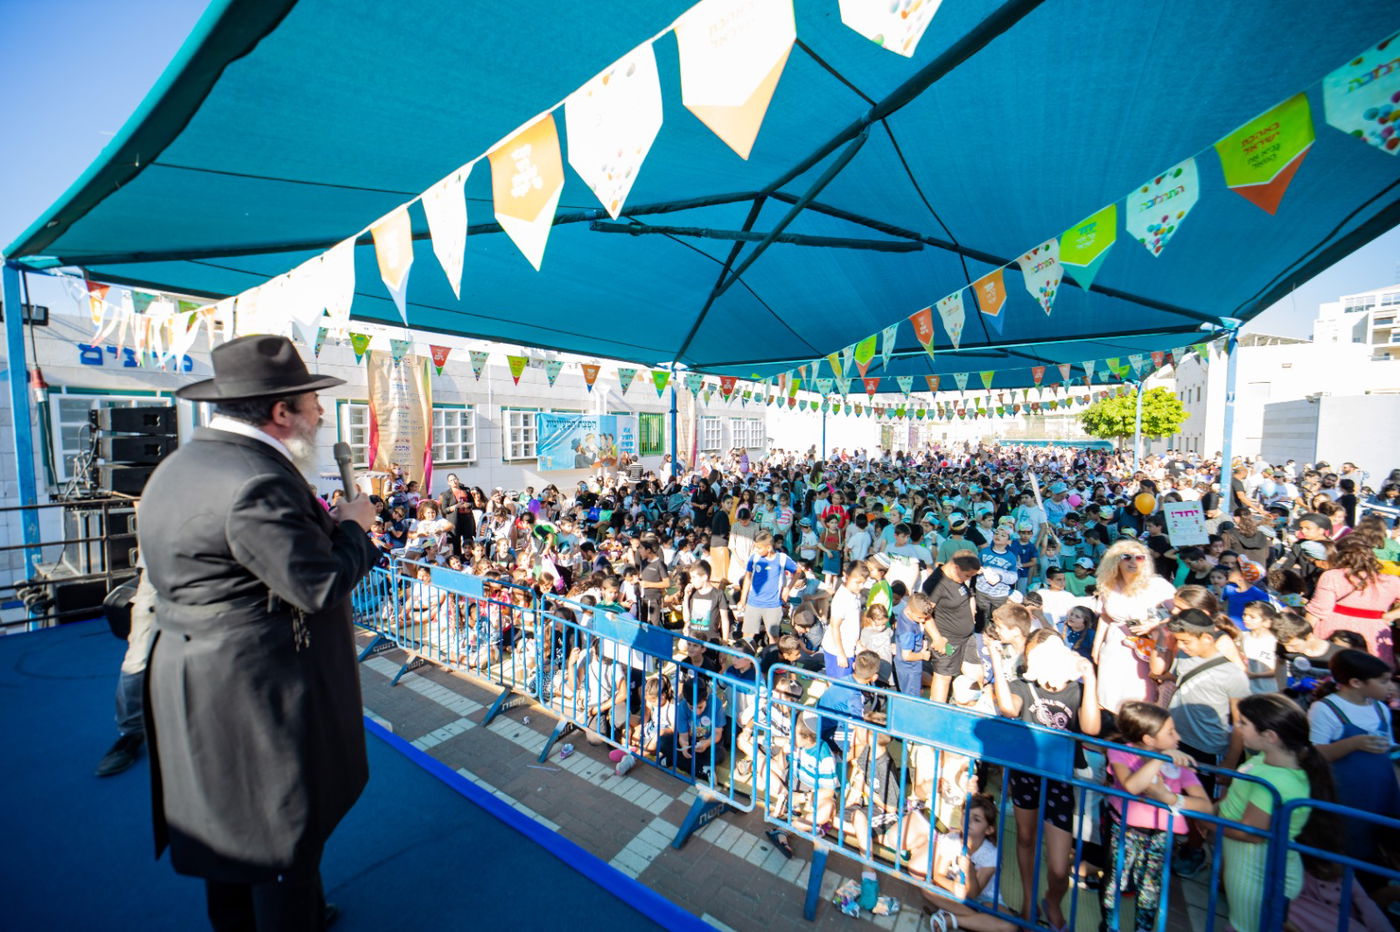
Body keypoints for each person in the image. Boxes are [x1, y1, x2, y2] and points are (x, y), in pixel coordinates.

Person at [139, 335, 379, 929]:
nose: (321, 415)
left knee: (227, 830)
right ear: (280, 412)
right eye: (312, 404)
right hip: (250, 689)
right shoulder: (257, 481)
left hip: (196, 671)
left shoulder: (184, 463)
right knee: (274, 832)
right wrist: (355, 529)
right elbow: (317, 586)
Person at [1218, 693, 1336, 932]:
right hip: (1244, 864)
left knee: (1246, 926)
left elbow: (1251, 833)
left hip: (1258, 874)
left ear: (1269, 736)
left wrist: (1203, 818)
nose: (1237, 728)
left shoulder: (1280, 781)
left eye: (1243, 724)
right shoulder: (1262, 760)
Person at [1101, 701, 1212, 932]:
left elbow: (1205, 806)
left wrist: (1171, 798)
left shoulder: (1180, 764)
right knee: (1114, 884)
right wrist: (1160, 760)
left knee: (1149, 892)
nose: (1178, 737)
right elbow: (1132, 786)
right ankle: (1109, 927)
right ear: (1149, 739)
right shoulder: (1122, 751)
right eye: (1170, 732)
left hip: (1161, 836)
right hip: (1124, 831)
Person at [1307, 535, 1400, 664]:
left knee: (1333, 669)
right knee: (1371, 672)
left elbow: (1318, 611)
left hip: (1334, 629)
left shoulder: (1332, 576)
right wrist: (1389, 616)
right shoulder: (1390, 580)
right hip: (1373, 631)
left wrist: (1305, 638)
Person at [737, 531, 798, 642]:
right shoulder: (754, 558)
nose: (756, 550)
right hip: (753, 603)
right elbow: (747, 578)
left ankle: (771, 658)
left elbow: (798, 571)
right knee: (747, 637)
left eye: (759, 548)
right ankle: (746, 658)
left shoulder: (782, 559)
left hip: (773, 605)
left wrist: (788, 588)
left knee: (773, 637)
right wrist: (742, 600)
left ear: (769, 547)